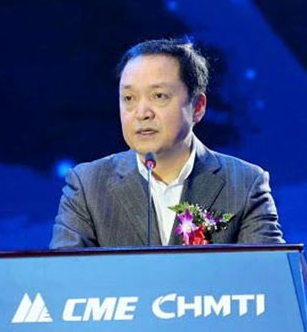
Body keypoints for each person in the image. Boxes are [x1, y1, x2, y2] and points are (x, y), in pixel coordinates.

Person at [50, 39, 284, 248]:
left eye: (159, 96)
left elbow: (269, 275)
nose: (142, 113)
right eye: (129, 98)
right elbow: (64, 276)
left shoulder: (244, 184)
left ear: (197, 107)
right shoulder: (88, 185)